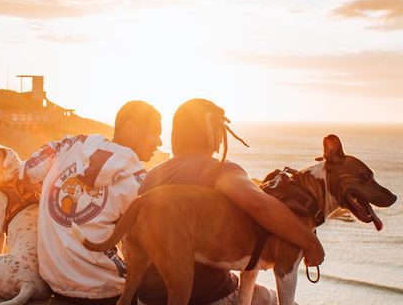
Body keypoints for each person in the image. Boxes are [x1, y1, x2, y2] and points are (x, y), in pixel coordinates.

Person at [137, 98, 325, 305]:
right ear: (214, 135)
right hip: (207, 297)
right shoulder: (216, 171)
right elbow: (258, 204)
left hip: (148, 297)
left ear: (175, 136)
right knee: (276, 301)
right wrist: (310, 242)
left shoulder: (151, 176)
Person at [21, 100, 162, 305]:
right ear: (131, 128)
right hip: (105, 290)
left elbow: (27, 172)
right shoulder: (138, 181)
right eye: (155, 132)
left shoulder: (70, 145)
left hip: (56, 282)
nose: (158, 142)